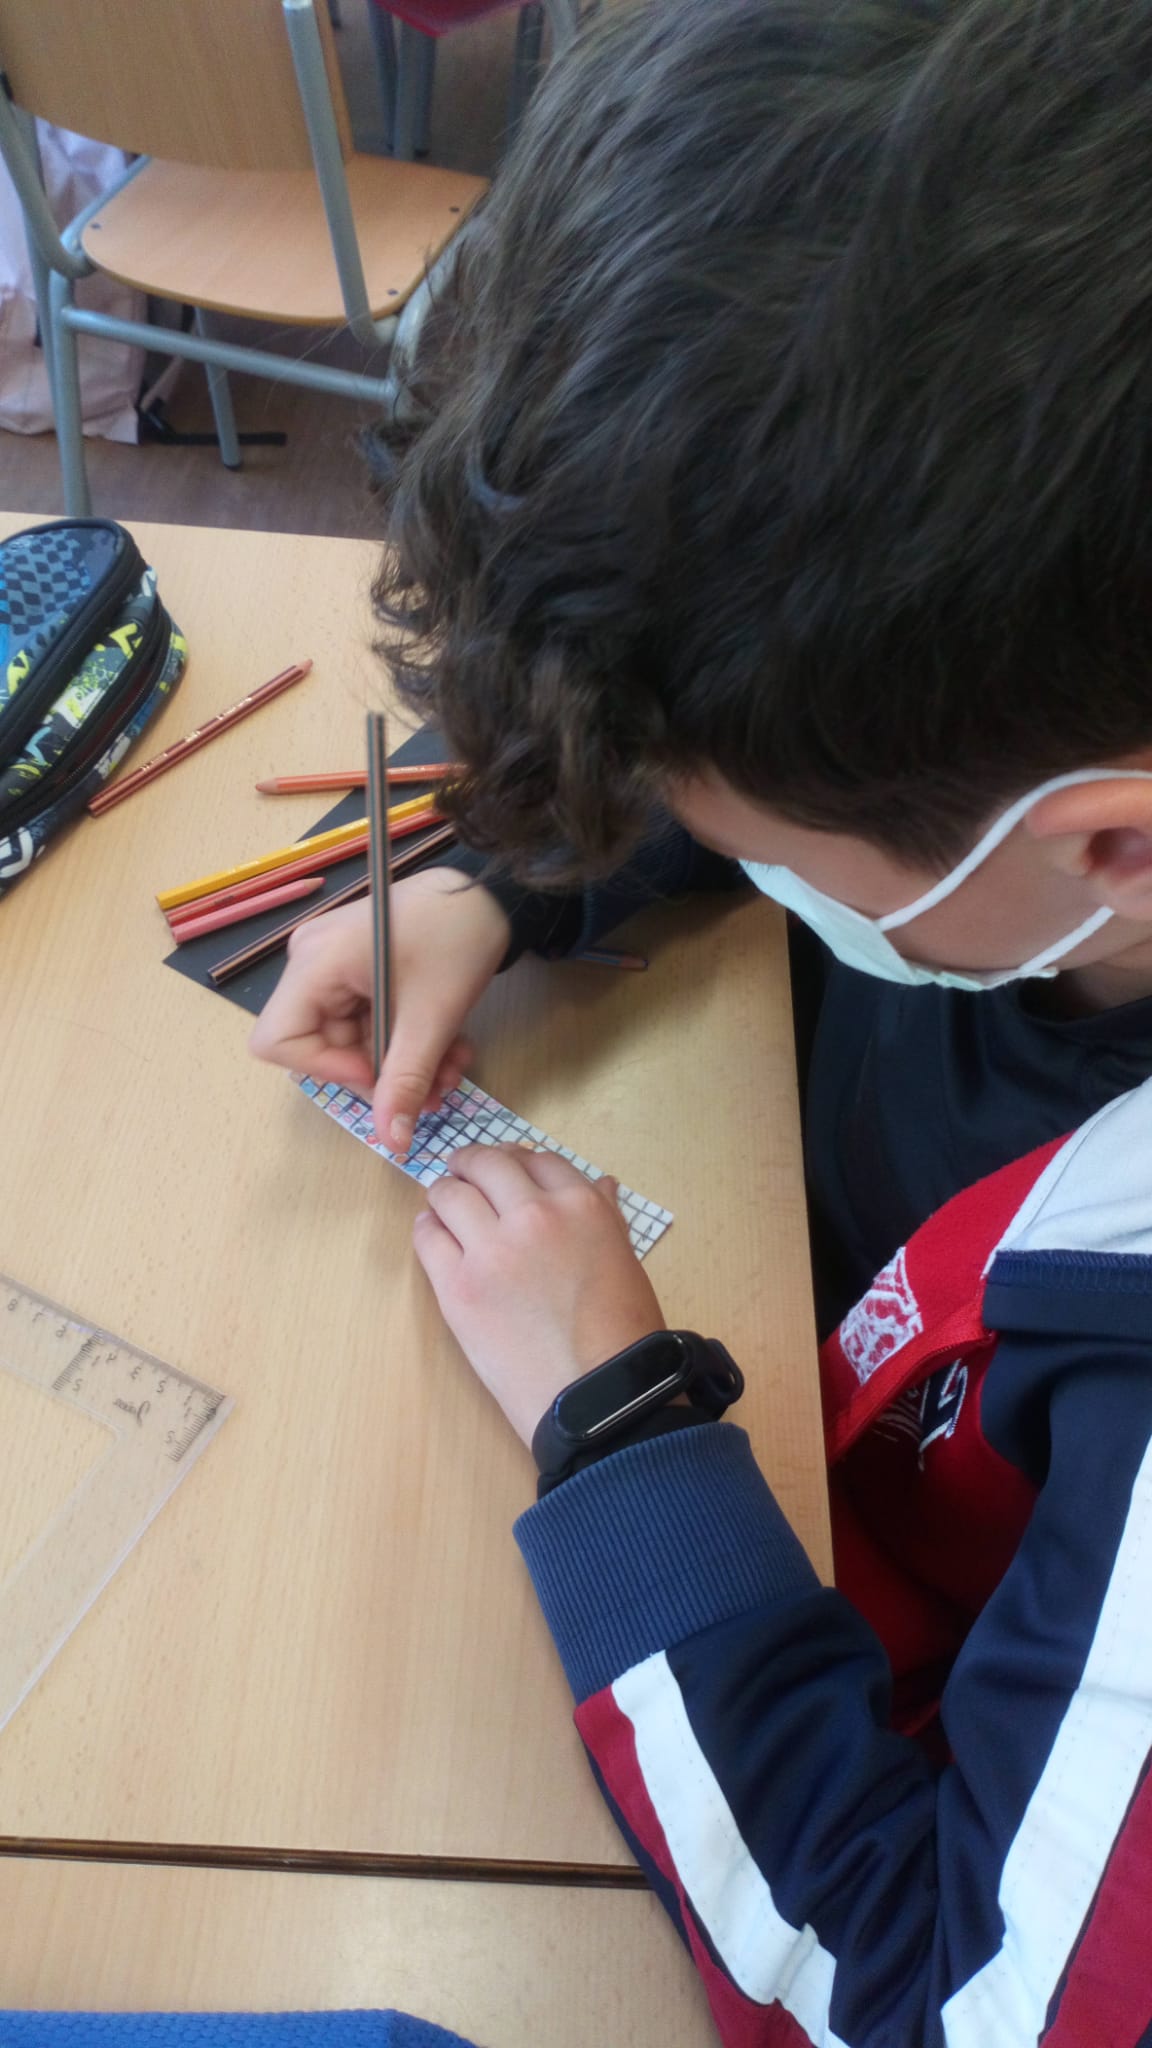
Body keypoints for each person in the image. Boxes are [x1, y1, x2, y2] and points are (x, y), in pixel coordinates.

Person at [250, 1, 1152, 2039]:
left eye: (748, 831)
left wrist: (623, 1434)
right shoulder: (1030, 704)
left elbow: (933, 1992)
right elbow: (810, 707)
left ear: (1107, 845)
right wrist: (503, 878)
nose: (715, 832)